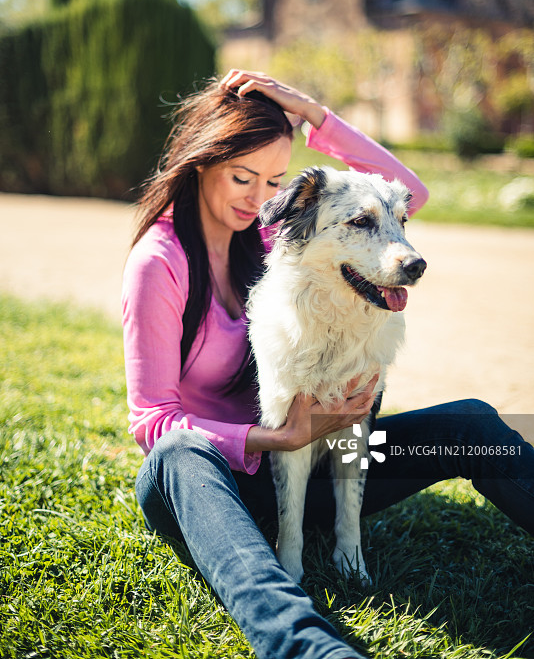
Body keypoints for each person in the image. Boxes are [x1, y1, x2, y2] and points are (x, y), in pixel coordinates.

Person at [123, 69, 534, 659]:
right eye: (242, 176)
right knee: (176, 453)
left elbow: (403, 195)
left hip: (320, 465)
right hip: (217, 491)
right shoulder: (157, 262)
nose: (258, 196)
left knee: (470, 422)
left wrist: (314, 115)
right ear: (200, 163)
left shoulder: (274, 233)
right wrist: (276, 435)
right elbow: (152, 422)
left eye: (272, 179)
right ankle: (306, 645)